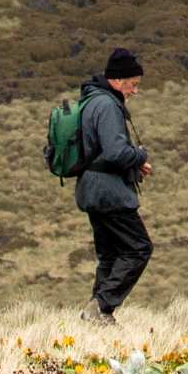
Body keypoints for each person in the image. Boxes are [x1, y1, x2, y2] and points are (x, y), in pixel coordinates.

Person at [75, 47, 154, 318]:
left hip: (92, 189)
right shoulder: (108, 105)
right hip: (109, 192)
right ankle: (101, 307)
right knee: (138, 248)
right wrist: (139, 155)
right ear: (118, 81)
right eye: (133, 84)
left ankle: (97, 315)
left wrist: (133, 163)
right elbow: (115, 152)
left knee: (109, 255)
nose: (134, 91)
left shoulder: (92, 100)